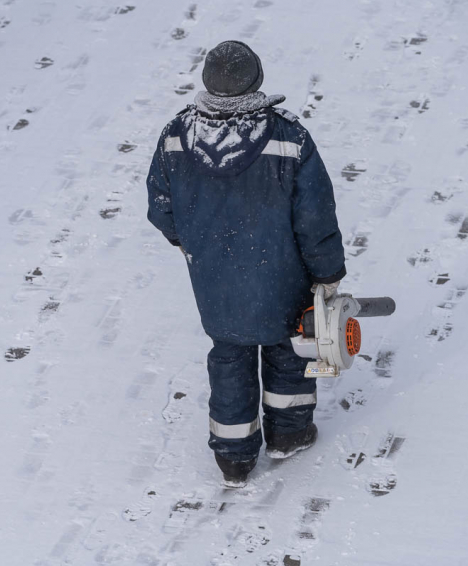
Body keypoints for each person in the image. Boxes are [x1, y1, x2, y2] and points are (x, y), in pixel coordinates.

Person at [146, 40, 346, 487]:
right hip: (282, 273)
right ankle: (288, 434)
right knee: (287, 349)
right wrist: (327, 270)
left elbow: (160, 205)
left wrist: (190, 243)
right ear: (257, 80)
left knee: (230, 354)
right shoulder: (288, 137)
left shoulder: (176, 134)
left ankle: (234, 459)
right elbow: (314, 216)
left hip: (213, 277)